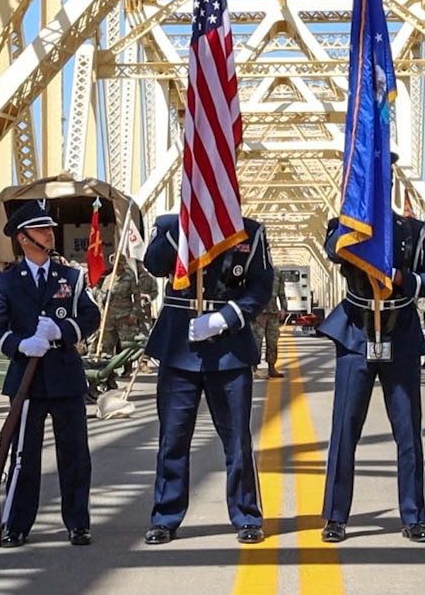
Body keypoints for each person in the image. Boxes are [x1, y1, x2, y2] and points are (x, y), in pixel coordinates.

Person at [142, 212, 274, 546]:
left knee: (237, 442)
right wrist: (179, 231)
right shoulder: (173, 225)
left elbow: (261, 285)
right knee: (173, 440)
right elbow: (155, 264)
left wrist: (225, 317)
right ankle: (165, 517)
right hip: (179, 348)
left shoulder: (251, 232)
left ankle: (246, 515)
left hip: (228, 348)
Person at [0, 199, 101, 548]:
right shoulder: (5, 282)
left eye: (50, 228)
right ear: (23, 238)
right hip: (27, 381)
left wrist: (62, 331)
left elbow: (90, 318)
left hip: (64, 377)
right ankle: (16, 524)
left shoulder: (71, 277)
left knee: (75, 455)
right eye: (41, 229)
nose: (50, 234)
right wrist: (19, 345)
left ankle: (78, 523)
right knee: (22, 458)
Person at [318, 210, 425, 544]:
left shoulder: (414, 231)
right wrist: (356, 230)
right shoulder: (346, 224)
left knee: (408, 433)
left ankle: (414, 516)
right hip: (356, 334)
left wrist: (401, 278)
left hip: (399, 334)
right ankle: (335, 515)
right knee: (344, 430)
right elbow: (332, 251)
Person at [94, 254, 141, 356]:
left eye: (119, 264)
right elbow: (100, 297)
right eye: (115, 264)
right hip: (109, 317)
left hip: (124, 316)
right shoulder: (108, 279)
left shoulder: (130, 277)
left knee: (126, 345)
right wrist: (102, 312)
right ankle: (109, 370)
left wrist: (134, 314)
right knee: (107, 345)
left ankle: (127, 369)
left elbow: (137, 297)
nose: (117, 266)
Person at [252, 268, 286, 378]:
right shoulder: (255, 271)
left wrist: (284, 308)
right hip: (258, 313)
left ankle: (272, 367)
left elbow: (281, 293)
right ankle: (254, 368)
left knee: (272, 341)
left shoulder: (277, 272)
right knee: (257, 341)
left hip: (273, 313)